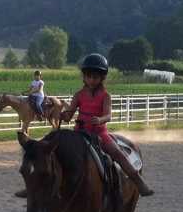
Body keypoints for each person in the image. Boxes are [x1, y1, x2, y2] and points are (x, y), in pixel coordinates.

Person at [61, 53, 154, 197]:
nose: (91, 80)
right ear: (84, 77)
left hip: (99, 134)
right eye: (89, 76)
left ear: (102, 78)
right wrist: (63, 115)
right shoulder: (78, 95)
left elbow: (108, 115)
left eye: (95, 77)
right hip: (79, 132)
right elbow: (69, 116)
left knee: (118, 154)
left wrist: (100, 120)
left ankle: (139, 182)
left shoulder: (105, 96)